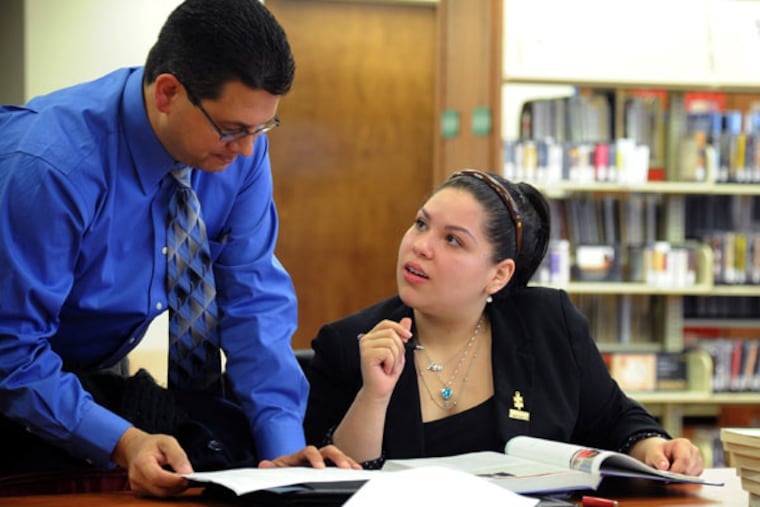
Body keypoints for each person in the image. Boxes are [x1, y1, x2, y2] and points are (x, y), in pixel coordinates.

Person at [0, 0, 357, 498]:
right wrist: (122, 441)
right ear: (168, 92)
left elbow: (253, 296)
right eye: (233, 129)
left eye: (262, 128)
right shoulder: (52, 167)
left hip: (93, 373)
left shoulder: (238, 151)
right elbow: (11, 354)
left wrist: (283, 451)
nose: (248, 149)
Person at [304, 169, 704, 476]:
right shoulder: (347, 343)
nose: (419, 246)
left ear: (498, 275)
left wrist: (653, 446)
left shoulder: (548, 323)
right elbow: (334, 478)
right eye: (421, 223)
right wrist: (373, 396)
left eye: (453, 240)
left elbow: (615, 417)